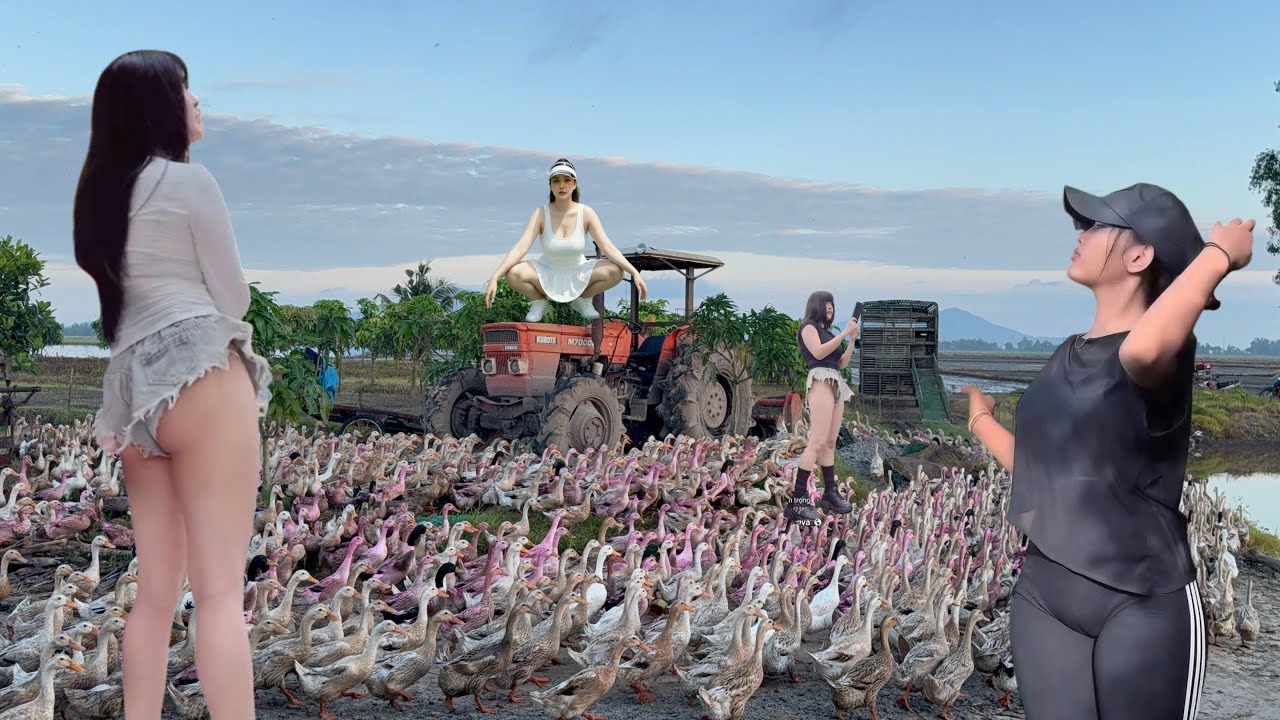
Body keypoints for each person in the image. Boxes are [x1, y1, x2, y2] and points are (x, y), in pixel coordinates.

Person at [962, 183, 1254, 720]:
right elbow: (1044, 471)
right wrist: (981, 420)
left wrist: (1219, 256)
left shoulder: (1162, 354)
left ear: (1140, 255)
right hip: (1046, 594)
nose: (1082, 233)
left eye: (1097, 225)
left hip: (1144, 599)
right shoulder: (1065, 355)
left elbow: (1142, 347)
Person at [73, 50, 272, 720]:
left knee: (156, 594)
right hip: (198, 374)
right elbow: (234, 299)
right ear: (160, 106)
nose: (197, 105)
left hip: (133, 393)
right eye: (188, 92)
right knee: (217, 595)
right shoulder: (190, 184)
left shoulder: (102, 196)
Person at [484, 158, 648, 321]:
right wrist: (495, 277)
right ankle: (539, 302)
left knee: (615, 271)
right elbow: (521, 247)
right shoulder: (541, 213)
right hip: (547, 272)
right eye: (556, 181)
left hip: (578, 271)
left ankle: (582, 299)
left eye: (566, 180)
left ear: (574, 184)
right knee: (512, 274)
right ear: (550, 185)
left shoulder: (586, 213)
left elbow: (608, 247)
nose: (561, 185)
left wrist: (634, 273)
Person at [784, 291, 859, 523]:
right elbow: (818, 353)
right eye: (826, 303)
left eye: (833, 304)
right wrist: (844, 333)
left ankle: (829, 493)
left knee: (829, 443)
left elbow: (841, 363)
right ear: (816, 305)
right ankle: (798, 501)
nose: (830, 307)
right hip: (820, 381)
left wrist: (851, 340)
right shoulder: (808, 328)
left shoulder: (827, 332)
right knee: (816, 442)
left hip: (836, 380)